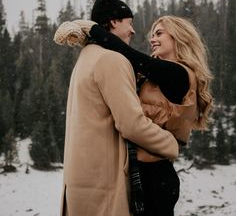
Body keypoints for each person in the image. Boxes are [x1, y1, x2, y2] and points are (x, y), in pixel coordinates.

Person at [62, 12, 213, 216]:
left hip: (156, 175)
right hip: (141, 171)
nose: (153, 39)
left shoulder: (179, 74)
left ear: (179, 37)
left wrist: (93, 29)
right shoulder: (155, 75)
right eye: (153, 34)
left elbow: (129, 55)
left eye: (159, 33)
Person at [54, 0, 181, 216]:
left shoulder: (85, 58)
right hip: (104, 185)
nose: (133, 30)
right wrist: (170, 143)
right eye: (129, 23)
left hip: (80, 184)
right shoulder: (111, 60)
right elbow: (132, 124)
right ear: (114, 22)